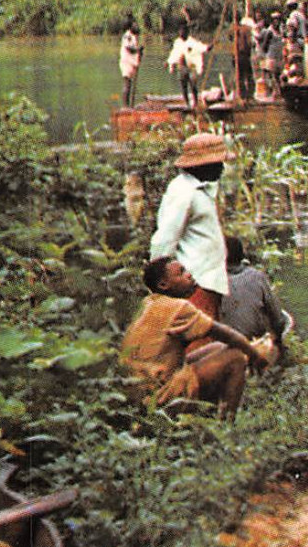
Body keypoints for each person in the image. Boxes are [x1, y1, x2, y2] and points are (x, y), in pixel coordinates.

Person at [121, 256, 270, 418]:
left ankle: (206, 412)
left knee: (218, 348)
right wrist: (256, 357)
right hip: (159, 397)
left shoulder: (148, 303)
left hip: (137, 391)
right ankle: (226, 424)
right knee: (236, 357)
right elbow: (229, 335)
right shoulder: (179, 307)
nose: (189, 275)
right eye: (181, 273)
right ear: (163, 285)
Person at [151, 132, 232, 318]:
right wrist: (161, 286)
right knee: (198, 339)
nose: (222, 168)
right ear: (201, 165)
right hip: (195, 282)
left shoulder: (202, 188)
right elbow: (164, 240)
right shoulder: (183, 192)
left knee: (207, 336)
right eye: (217, 163)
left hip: (208, 280)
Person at [221, 235, 291, 365]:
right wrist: (279, 341)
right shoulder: (257, 277)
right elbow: (278, 318)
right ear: (242, 255)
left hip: (223, 347)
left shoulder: (209, 281)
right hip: (254, 343)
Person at [165, 25, 209, 108]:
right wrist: (169, 62)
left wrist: (207, 48)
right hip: (182, 67)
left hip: (191, 67)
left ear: (187, 33)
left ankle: (195, 102)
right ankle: (187, 103)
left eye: (183, 32)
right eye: (180, 32)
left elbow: (200, 47)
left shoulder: (191, 42)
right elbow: (174, 53)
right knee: (183, 85)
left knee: (193, 85)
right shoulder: (177, 42)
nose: (181, 34)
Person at [257, 11, 284, 100]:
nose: (276, 22)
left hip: (279, 57)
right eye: (274, 20)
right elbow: (264, 45)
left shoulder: (280, 30)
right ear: (272, 21)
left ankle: (278, 94)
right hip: (271, 57)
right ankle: (274, 94)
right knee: (272, 77)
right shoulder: (269, 31)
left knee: (279, 77)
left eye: (278, 19)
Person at [119, 18, 144, 107]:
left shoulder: (134, 36)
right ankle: (125, 106)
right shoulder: (127, 36)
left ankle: (129, 105)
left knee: (130, 84)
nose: (137, 27)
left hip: (132, 62)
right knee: (127, 84)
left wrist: (140, 53)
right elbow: (128, 48)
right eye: (135, 25)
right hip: (126, 62)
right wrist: (138, 50)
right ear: (131, 27)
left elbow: (136, 50)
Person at [235, 16, 257, 102]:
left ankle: (242, 95)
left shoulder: (237, 30)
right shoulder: (246, 30)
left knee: (240, 76)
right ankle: (249, 96)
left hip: (237, 55)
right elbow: (249, 44)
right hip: (243, 55)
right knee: (249, 75)